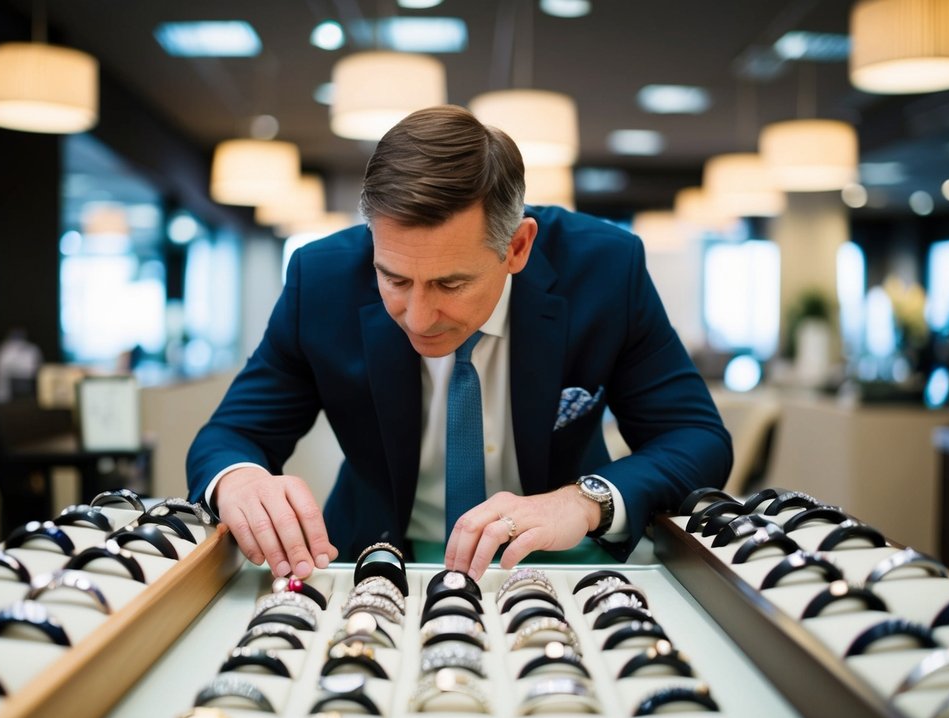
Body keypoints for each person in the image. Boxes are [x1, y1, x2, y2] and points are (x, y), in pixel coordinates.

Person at [187, 105, 731, 581]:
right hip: (373, 558)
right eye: (394, 279)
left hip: (560, 562)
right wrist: (240, 481)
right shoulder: (320, 279)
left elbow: (695, 436)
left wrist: (583, 500)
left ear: (517, 247)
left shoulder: (605, 269)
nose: (418, 318)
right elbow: (232, 434)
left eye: (451, 283)